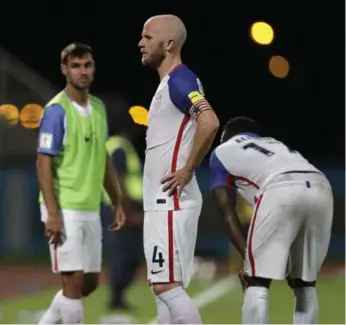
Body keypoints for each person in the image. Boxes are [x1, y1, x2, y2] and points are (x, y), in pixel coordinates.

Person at [209, 116, 333, 324]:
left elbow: (226, 209)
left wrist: (248, 261)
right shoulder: (275, 144)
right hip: (321, 184)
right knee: (305, 283)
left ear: (226, 135)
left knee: (256, 281)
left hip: (279, 187)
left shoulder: (222, 150)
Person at [138, 14, 220, 324]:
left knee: (165, 285)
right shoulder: (170, 84)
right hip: (164, 203)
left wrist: (187, 170)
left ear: (168, 43)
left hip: (169, 202)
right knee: (165, 294)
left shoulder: (179, 80)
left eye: (148, 36)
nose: (140, 42)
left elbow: (209, 122)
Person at [36, 43, 126, 324]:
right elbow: (43, 162)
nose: (82, 71)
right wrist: (52, 213)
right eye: (75, 65)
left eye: (87, 65)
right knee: (72, 282)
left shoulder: (99, 107)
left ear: (94, 68)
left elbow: (104, 158)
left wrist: (117, 200)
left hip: (89, 206)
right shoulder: (56, 111)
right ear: (64, 69)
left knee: (90, 282)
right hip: (65, 207)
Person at [102, 112, 144, 311]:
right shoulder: (119, 146)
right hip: (123, 206)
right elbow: (118, 179)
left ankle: (118, 297)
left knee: (126, 252)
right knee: (126, 252)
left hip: (117, 205)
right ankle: (116, 297)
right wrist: (126, 210)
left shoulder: (112, 144)